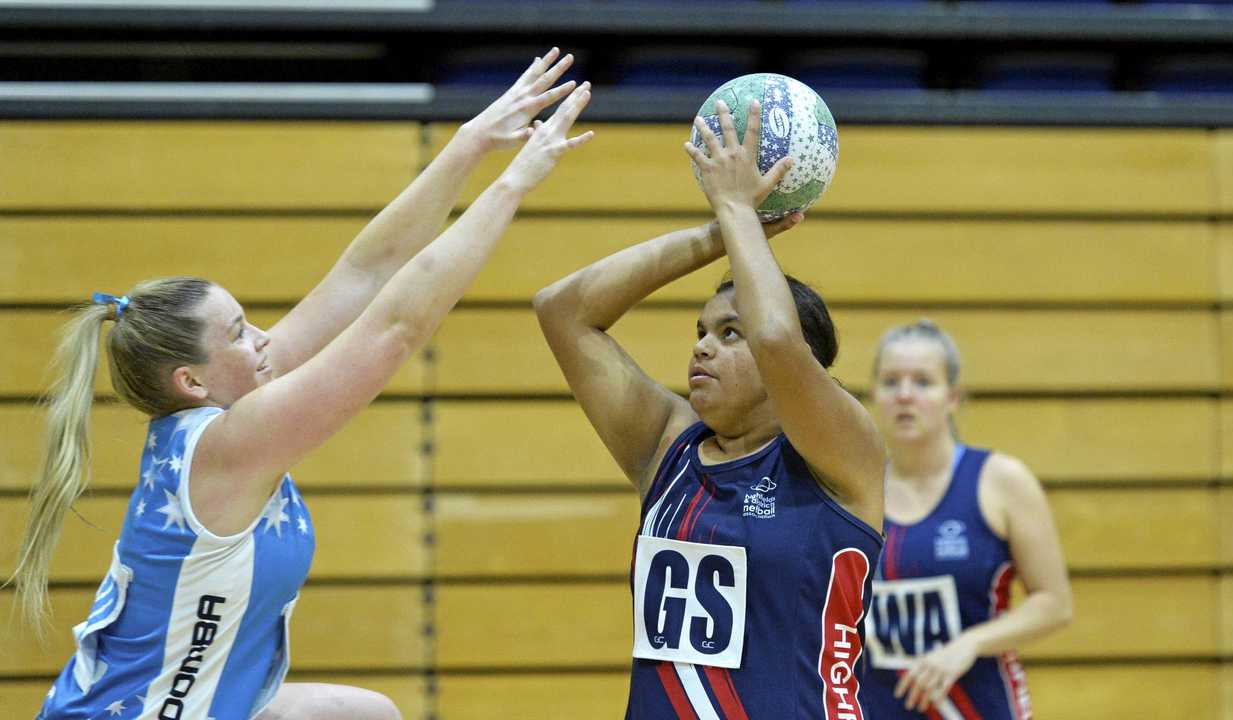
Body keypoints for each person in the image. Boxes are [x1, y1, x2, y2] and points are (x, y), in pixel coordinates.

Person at [12, 50, 593, 720]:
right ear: (191, 380)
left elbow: (363, 273)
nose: (263, 338)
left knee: (363, 715)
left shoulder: (227, 408)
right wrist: (512, 186)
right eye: (236, 332)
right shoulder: (231, 444)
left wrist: (470, 145)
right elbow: (394, 328)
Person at [534, 100, 885, 719]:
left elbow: (776, 339)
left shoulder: (843, 451)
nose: (702, 345)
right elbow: (562, 311)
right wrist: (724, 230)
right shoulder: (667, 445)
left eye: (729, 333)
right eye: (702, 330)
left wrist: (738, 206)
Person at [858, 319, 1073, 719]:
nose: (905, 395)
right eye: (891, 382)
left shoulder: (1000, 481)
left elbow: (1054, 604)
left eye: (923, 382)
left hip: (978, 707)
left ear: (953, 396)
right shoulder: (855, 492)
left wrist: (969, 644)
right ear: (874, 394)